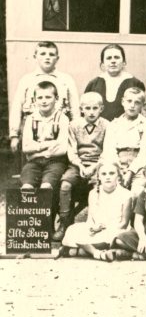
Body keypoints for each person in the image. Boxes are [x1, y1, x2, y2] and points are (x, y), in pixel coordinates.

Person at [55, 92, 109, 241]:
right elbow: (71, 151)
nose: (91, 112)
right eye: (88, 108)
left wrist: (95, 167)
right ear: (81, 109)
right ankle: (65, 224)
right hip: (78, 165)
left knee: (98, 189)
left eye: (95, 108)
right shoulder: (74, 125)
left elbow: (107, 151)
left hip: (99, 165)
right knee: (65, 185)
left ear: (101, 109)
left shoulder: (107, 125)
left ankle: (93, 225)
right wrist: (80, 166)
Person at [9, 41, 79, 155]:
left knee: (57, 167)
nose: (47, 58)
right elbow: (17, 107)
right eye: (42, 54)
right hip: (32, 132)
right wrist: (14, 135)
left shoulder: (66, 79)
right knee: (31, 168)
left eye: (51, 54)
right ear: (35, 56)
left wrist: (76, 133)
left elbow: (75, 109)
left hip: (59, 132)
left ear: (57, 58)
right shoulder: (27, 80)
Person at [19, 80, 70, 224]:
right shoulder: (31, 119)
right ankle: (31, 226)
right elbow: (26, 147)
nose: (44, 101)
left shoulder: (62, 119)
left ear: (56, 99)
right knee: (27, 187)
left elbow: (62, 149)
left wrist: (36, 148)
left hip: (55, 163)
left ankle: (48, 224)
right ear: (34, 101)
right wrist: (47, 147)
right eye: (40, 98)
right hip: (34, 163)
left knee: (46, 187)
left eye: (48, 97)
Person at [60, 161, 132, 262]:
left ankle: (82, 250)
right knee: (72, 229)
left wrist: (107, 228)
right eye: (104, 174)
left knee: (115, 236)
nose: (108, 177)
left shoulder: (126, 194)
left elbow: (124, 223)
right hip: (96, 230)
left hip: (114, 229)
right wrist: (93, 228)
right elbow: (90, 220)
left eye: (111, 173)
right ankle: (97, 253)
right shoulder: (93, 193)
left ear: (118, 176)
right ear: (99, 177)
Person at [101, 87, 146, 195]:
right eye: (129, 101)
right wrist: (118, 169)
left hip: (139, 167)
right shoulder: (114, 124)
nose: (132, 105)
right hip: (117, 164)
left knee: (137, 193)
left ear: (142, 105)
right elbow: (109, 150)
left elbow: (144, 152)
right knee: (112, 191)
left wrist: (130, 171)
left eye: (137, 102)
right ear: (123, 102)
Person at [85, 44, 145, 121]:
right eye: (109, 58)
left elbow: (142, 112)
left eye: (117, 57)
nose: (113, 61)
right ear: (102, 64)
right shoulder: (93, 84)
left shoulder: (135, 84)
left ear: (124, 62)